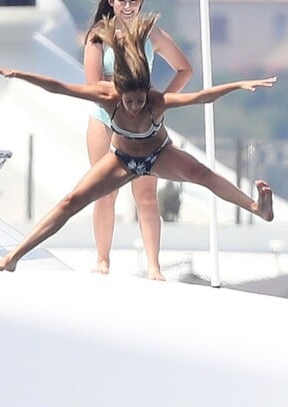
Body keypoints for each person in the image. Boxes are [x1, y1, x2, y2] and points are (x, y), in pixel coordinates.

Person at [0, 14, 275, 273]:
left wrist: (237, 85)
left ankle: (255, 207)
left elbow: (201, 97)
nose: (135, 107)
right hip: (121, 159)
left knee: (202, 174)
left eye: (140, 100)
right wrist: (19, 74)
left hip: (159, 155)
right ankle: (14, 255)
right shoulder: (107, 96)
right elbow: (60, 87)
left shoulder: (157, 101)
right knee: (70, 202)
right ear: (118, 92)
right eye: (130, 101)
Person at [84, 0, 192, 280]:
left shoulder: (151, 33)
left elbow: (185, 69)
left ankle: (154, 266)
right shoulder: (98, 35)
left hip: (142, 120)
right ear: (111, 1)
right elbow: (91, 83)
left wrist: (161, 101)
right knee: (104, 192)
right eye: (122, 0)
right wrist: (121, 90)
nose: (128, 5)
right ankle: (102, 259)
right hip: (105, 117)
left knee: (146, 196)